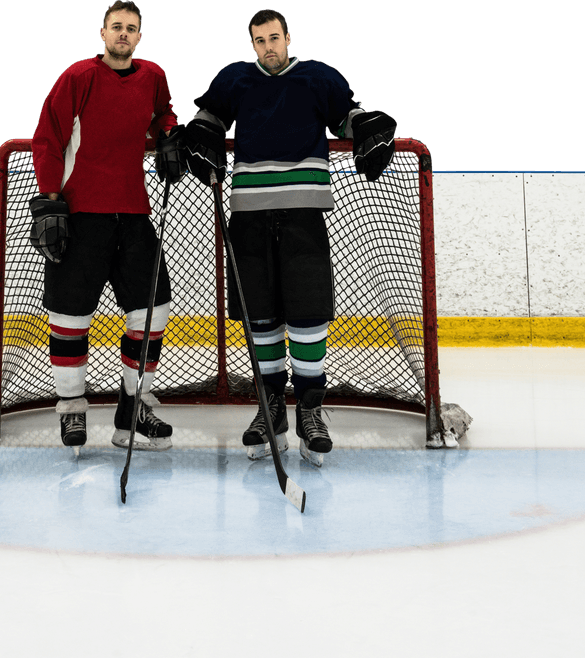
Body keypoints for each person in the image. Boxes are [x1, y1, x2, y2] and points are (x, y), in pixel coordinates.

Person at [182, 8, 397, 465]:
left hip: (303, 216)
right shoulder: (236, 79)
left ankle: (311, 411)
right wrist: (202, 134)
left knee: (307, 314)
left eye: (274, 38)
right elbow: (210, 117)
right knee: (259, 317)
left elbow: (347, 118)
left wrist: (367, 129)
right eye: (259, 41)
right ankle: (272, 408)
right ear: (252, 44)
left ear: (288, 37)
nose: (268, 47)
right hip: (249, 218)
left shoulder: (318, 77)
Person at [29, 0, 185, 451]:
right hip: (82, 215)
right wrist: (51, 200)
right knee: (70, 316)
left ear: (140, 37)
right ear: (102, 33)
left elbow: (163, 114)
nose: (123, 34)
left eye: (131, 29)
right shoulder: (78, 77)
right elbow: (48, 138)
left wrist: (170, 133)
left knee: (152, 313)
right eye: (116, 27)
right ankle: (73, 410)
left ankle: (132, 411)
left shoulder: (152, 76)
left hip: (134, 214)